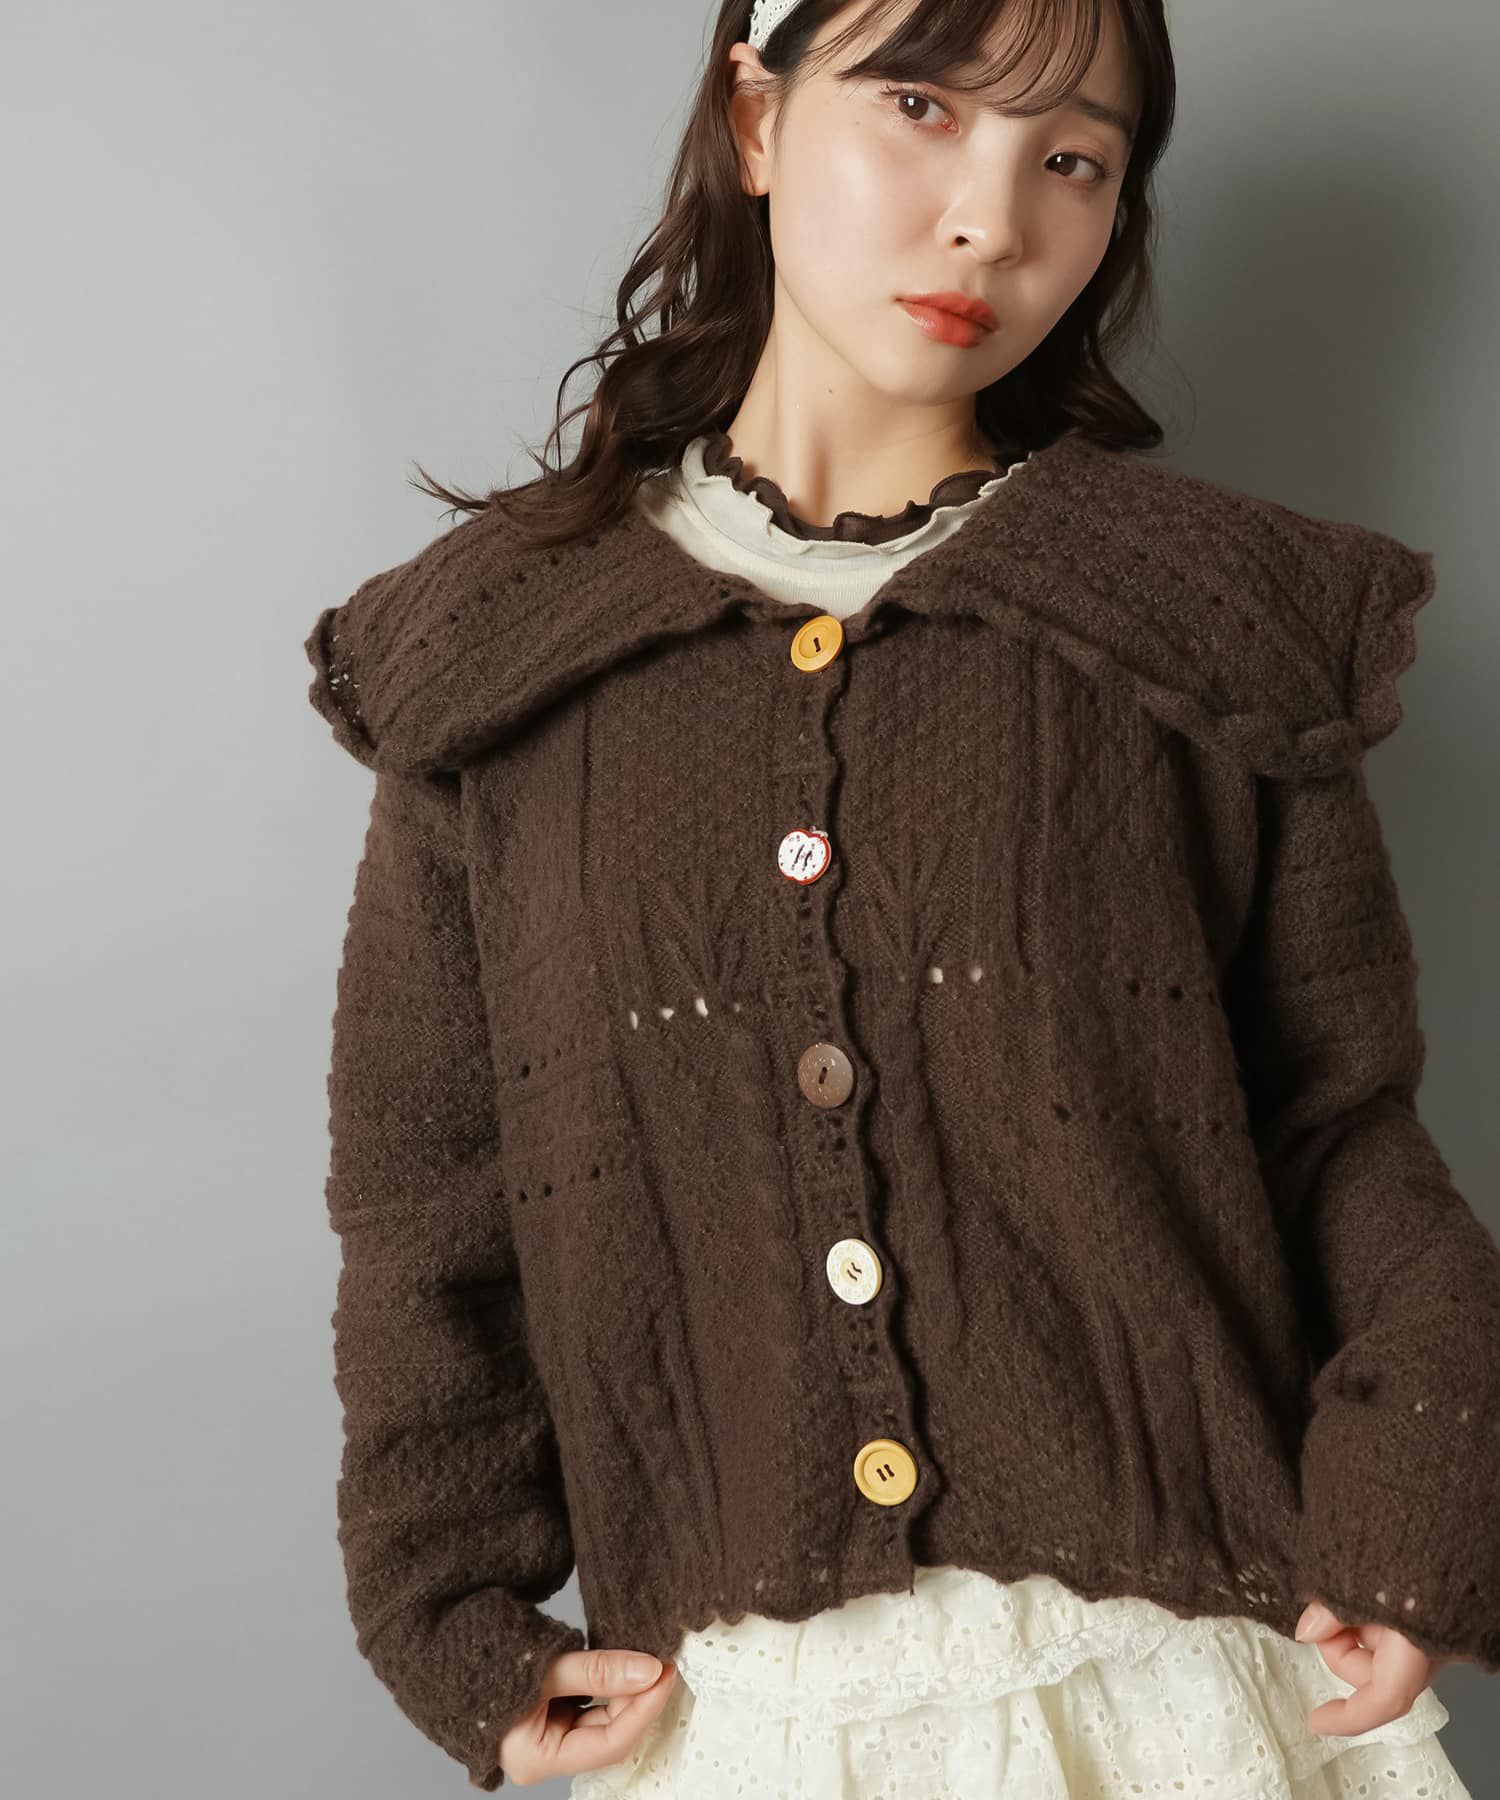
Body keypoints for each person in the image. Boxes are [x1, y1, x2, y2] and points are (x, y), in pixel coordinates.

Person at [304, 0, 1497, 1793]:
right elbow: (427, 1210)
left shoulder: (1209, 625)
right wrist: (449, 1616)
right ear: (757, 119)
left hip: (1186, 1695)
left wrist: (1420, 1493)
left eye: (1072, 159)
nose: (992, 221)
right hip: (739, 1726)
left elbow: (1338, 1130)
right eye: (922, 108)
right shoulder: (494, 655)